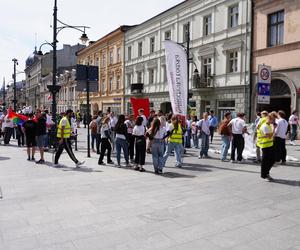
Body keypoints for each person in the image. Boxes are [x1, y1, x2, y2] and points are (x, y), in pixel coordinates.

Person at [257, 114, 275, 181]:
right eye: (272, 119)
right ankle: (264, 175)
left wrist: (272, 132)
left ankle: (266, 173)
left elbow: (271, 135)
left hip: (270, 145)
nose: (273, 121)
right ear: (269, 119)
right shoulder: (265, 126)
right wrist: (273, 129)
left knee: (272, 160)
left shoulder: (269, 125)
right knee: (265, 161)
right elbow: (269, 136)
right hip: (265, 146)